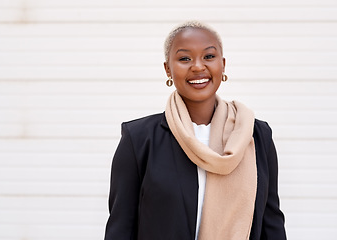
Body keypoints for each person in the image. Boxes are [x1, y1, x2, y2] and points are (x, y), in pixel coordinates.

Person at [104, 21, 287, 240]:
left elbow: (271, 224)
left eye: (209, 56)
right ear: (168, 69)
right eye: (184, 58)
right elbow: (121, 228)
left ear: (223, 64)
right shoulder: (139, 139)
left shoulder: (255, 135)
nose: (198, 66)